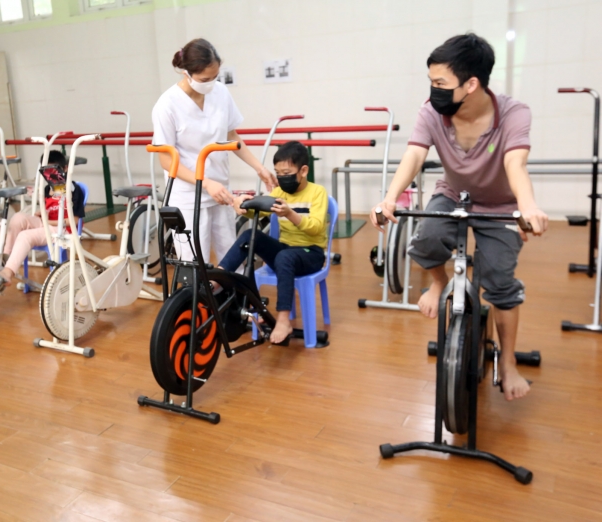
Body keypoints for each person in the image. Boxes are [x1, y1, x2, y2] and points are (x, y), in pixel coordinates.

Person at [370, 33, 549, 401]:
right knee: (426, 239)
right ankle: (438, 283)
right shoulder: (432, 111)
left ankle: (509, 361)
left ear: (471, 84)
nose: (433, 91)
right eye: (431, 82)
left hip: (501, 206)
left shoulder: (513, 114)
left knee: (500, 283)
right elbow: (415, 155)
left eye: (440, 83)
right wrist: (388, 198)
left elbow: (516, 163)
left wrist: (527, 206)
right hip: (455, 195)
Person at [152, 38, 277, 265]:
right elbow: (166, 161)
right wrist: (205, 182)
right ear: (185, 72)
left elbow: (232, 136)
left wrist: (259, 167)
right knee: (193, 262)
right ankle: (197, 299)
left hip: (221, 190)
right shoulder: (167, 105)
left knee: (231, 257)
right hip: (187, 195)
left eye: (215, 77)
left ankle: (233, 299)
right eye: (204, 79)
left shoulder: (220, 92)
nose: (210, 83)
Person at [220, 141, 329, 344]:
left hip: (311, 253)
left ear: (303, 170)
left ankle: (283, 319)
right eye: (278, 173)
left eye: (287, 172)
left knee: (284, 256)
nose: (282, 178)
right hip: (285, 251)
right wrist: (242, 204)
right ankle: (219, 279)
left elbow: (315, 227)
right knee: (249, 236)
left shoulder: (318, 193)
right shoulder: (279, 192)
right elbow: (256, 210)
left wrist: (290, 213)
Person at [0, 150, 84, 283]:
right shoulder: (48, 189)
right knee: (18, 218)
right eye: (47, 172)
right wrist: (42, 215)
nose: (51, 176)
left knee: (25, 236)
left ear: (65, 168)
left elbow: (74, 220)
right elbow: (50, 210)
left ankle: (8, 272)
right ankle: (5, 260)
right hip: (48, 224)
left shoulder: (74, 190)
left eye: (55, 171)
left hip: (63, 230)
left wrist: (48, 221)